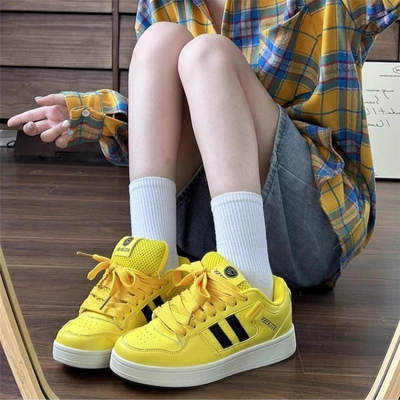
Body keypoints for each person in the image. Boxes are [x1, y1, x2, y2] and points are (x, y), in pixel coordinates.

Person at [7, 0, 400, 388]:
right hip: (203, 241)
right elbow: (167, 116)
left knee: (207, 55)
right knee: (160, 42)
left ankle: (252, 287)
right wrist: (89, 114)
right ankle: (154, 269)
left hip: (308, 227)